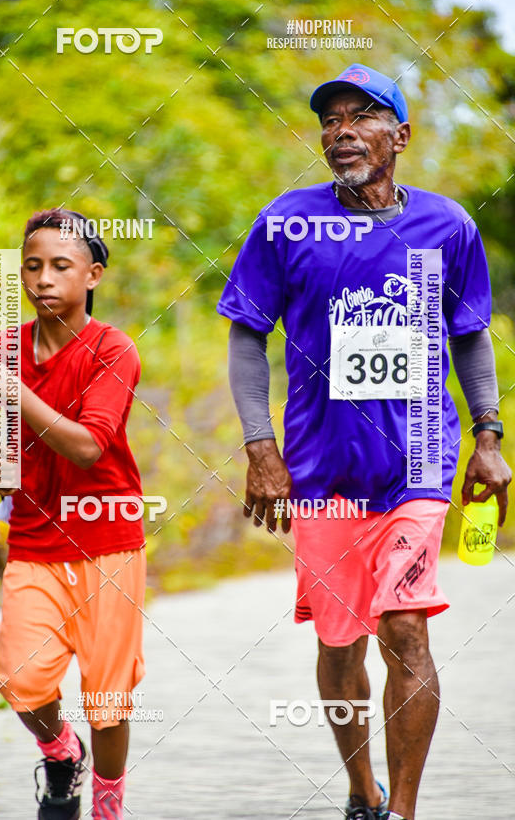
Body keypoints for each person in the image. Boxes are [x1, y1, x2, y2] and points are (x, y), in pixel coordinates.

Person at [217, 64, 511, 820]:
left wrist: (488, 434)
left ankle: (402, 811)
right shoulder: (287, 222)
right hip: (323, 471)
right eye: (330, 119)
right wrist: (260, 447)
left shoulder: (448, 225)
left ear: (400, 136)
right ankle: (362, 790)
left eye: (362, 116)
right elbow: (247, 335)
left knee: (406, 627)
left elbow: (470, 336)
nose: (341, 131)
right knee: (340, 644)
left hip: (418, 462)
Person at [0, 209, 146, 820]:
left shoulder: (113, 349)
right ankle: (63, 753)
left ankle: (108, 807)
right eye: (32, 266)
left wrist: (15, 394)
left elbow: (88, 446)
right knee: (22, 680)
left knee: (108, 701)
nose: (43, 278)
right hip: (34, 541)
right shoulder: (0, 350)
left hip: (108, 543)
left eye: (61, 266)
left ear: (92, 275)